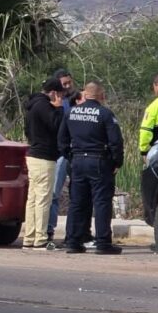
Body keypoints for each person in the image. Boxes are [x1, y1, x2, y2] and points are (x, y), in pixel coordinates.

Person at [58, 81, 124, 255]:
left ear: (85, 95)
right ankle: (102, 243)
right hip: (99, 161)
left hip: (78, 161)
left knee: (77, 203)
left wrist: (70, 156)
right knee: (101, 202)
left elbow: (62, 140)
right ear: (101, 96)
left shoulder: (71, 113)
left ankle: (73, 241)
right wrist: (116, 162)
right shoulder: (105, 114)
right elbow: (116, 141)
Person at [22, 77, 65, 251]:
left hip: (33, 154)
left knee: (32, 199)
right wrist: (60, 108)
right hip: (44, 157)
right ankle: (40, 238)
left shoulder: (33, 106)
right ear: (54, 93)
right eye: (60, 94)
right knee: (43, 199)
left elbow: (27, 130)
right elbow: (55, 124)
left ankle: (29, 237)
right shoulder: (44, 106)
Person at [46, 69, 76, 246]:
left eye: (69, 83)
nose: (67, 87)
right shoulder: (53, 104)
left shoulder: (75, 102)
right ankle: (49, 230)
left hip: (74, 153)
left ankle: (72, 234)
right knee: (54, 193)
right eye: (64, 84)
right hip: (58, 153)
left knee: (76, 194)